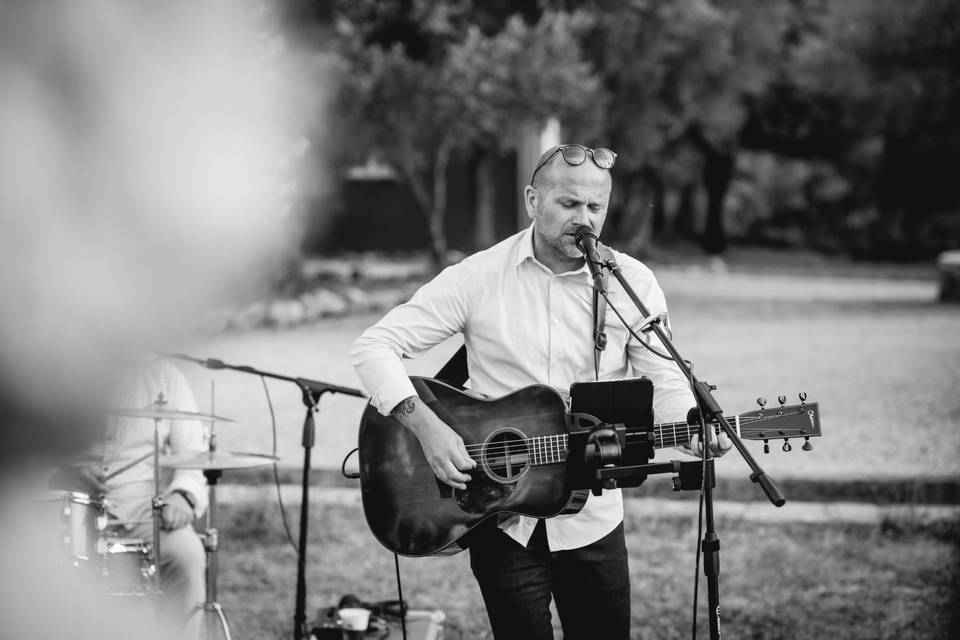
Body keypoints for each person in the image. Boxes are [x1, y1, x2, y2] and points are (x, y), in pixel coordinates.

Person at [350, 143, 731, 639]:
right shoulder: (478, 277)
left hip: (594, 516)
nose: (585, 220)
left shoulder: (630, 283)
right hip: (502, 519)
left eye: (596, 207)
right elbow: (374, 345)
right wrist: (426, 427)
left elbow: (667, 378)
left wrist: (689, 428)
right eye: (569, 205)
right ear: (533, 200)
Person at [52, 358, 207, 638]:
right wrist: (63, 471)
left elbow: (193, 459)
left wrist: (183, 495)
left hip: (143, 508)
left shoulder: (166, 376)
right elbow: (20, 456)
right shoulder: (54, 372)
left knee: (187, 554)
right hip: (68, 506)